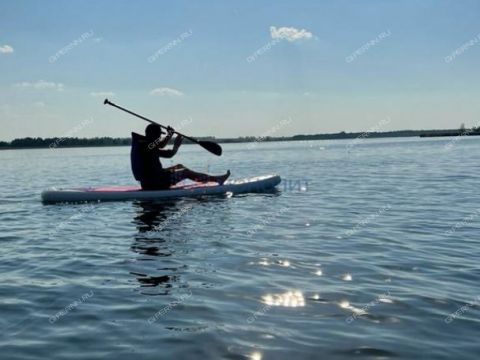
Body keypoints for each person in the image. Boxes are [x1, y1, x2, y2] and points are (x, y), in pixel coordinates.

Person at [131, 124, 230, 190]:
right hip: (156, 184)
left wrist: (171, 139)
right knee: (185, 173)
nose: (159, 137)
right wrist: (173, 140)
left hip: (150, 182)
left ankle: (200, 178)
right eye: (158, 135)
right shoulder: (146, 146)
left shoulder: (146, 145)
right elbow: (165, 149)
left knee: (179, 166)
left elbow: (164, 150)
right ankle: (217, 179)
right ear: (153, 134)